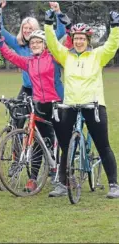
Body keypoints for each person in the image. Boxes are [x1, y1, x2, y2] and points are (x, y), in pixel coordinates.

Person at [44, 10, 119, 199]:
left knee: (103, 145)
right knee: (66, 146)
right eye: (76, 38)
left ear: (88, 40)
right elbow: (52, 44)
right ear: (72, 39)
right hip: (70, 105)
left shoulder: (97, 56)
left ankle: (113, 184)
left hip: (93, 106)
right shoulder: (65, 56)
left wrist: (115, 27)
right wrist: (47, 24)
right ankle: (62, 183)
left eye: (82, 38)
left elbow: (112, 45)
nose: (78, 41)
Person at [0, 28, 63, 191]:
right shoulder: (29, 62)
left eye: (38, 42)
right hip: (39, 104)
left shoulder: (54, 58)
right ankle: (33, 179)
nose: (34, 45)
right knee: (39, 143)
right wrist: (0, 43)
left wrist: (61, 19)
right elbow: (11, 56)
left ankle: (65, 176)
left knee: (62, 141)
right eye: (32, 43)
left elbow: (66, 43)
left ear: (45, 44)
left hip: (57, 103)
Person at [0, 0, 66, 128]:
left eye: (30, 28)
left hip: (47, 89)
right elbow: (0, 30)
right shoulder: (18, 44)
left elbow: (61, 31)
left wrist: (57, 12)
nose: (27, 31)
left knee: (45, 124)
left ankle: (40, 145)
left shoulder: (47, 41)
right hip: (28, 89)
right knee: (17, 118)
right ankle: (18, 145)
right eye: (25, 28)